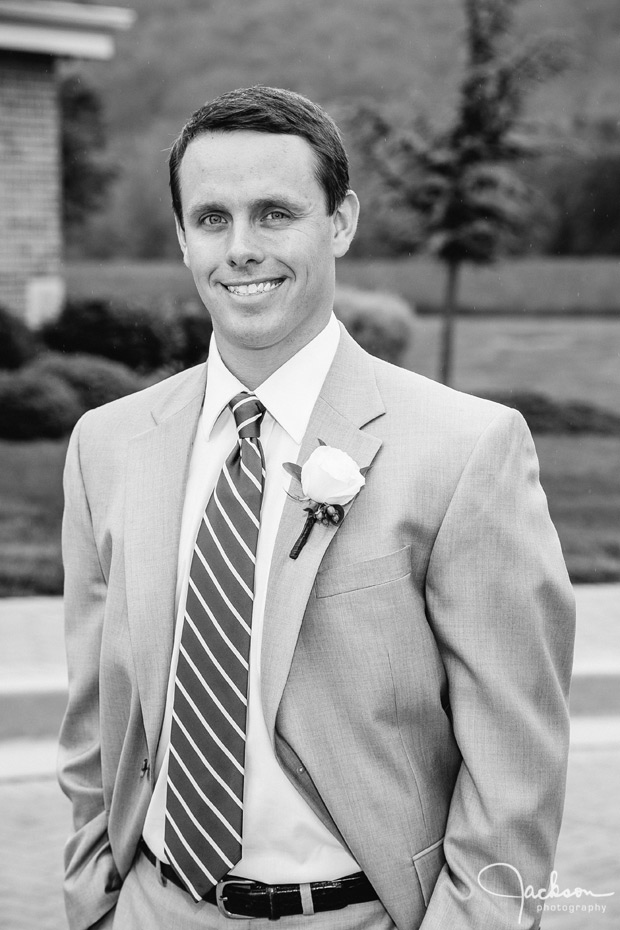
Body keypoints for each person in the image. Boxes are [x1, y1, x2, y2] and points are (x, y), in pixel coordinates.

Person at [58, 85, 575, 930]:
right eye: (214, 218)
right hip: (153, 906)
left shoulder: (466, 449)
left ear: (340, 222)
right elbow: (95, 720)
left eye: (275, 213)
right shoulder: (106, 446)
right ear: (183, 237)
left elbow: (515, 767)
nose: (242, 248)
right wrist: (94, 903)